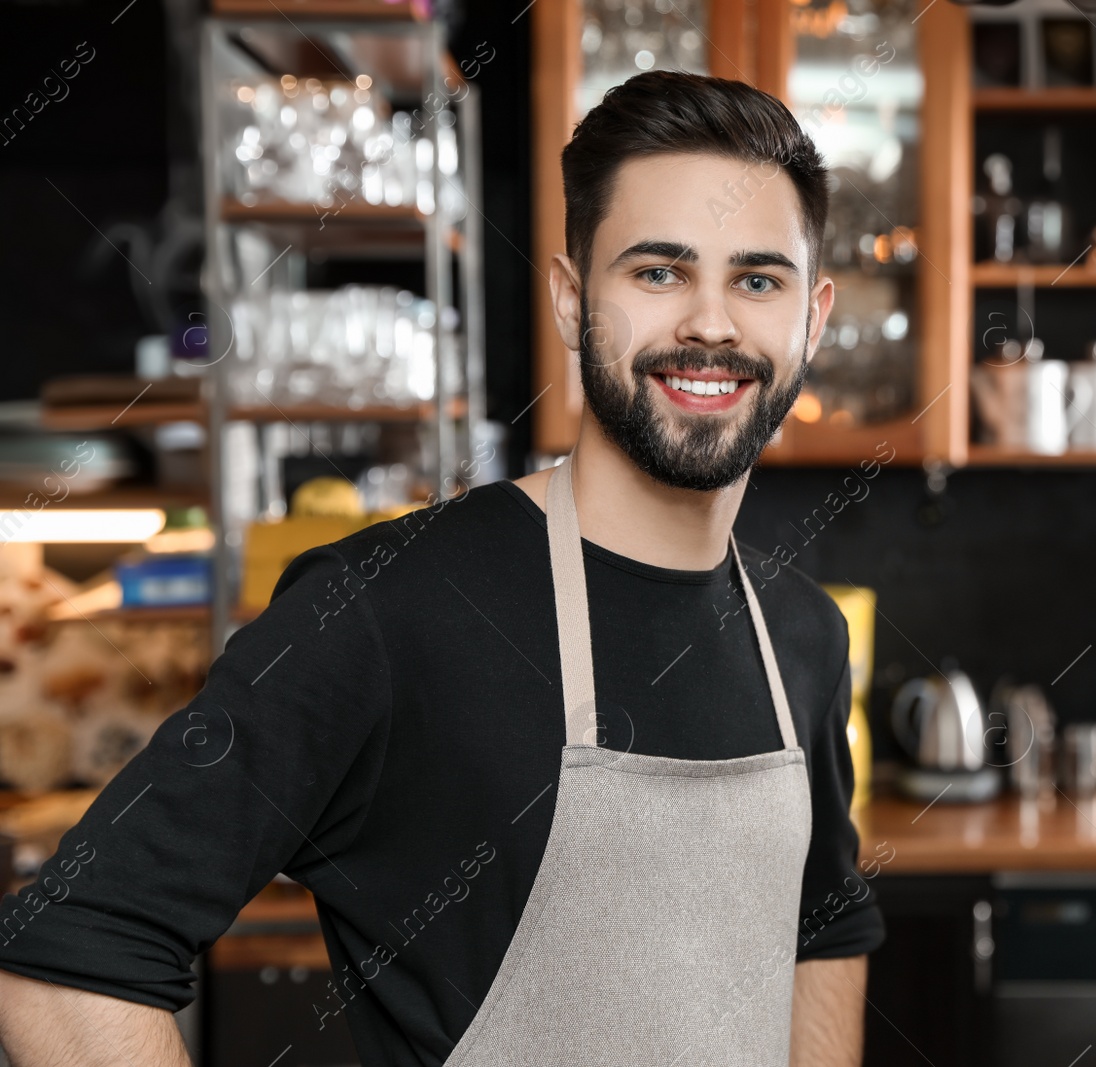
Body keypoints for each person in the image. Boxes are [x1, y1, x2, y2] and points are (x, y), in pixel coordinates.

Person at [0, 70, 883, 1066]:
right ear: (567, 299)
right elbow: (70, 954)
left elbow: (825, 931)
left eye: (756, 280)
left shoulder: (801, 635)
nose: (712, 324)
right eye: (657, 272)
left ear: (811, 318)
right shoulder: (391, 607)